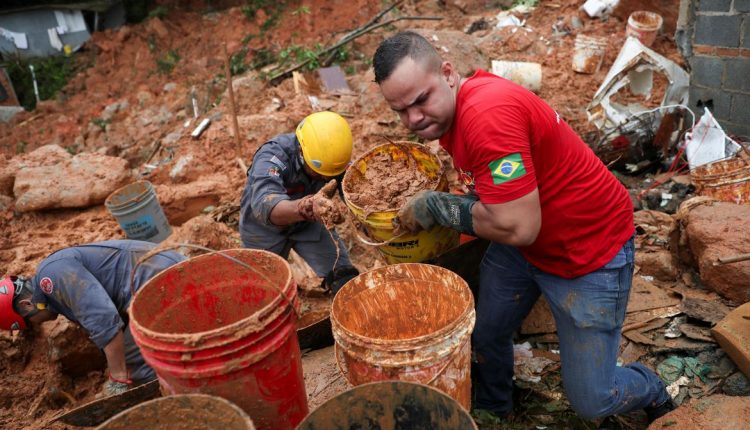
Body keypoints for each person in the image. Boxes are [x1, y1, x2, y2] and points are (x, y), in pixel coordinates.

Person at [372, 31, 675, 423]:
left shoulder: (486, 117)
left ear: (447, 74)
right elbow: (503, 205)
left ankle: (650, 387)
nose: (412, 118)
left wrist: (438, 206)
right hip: (526, 239)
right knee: (486, 331)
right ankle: (495, 407)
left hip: (587, 249)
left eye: (420, 100)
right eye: (400, 110)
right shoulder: (455, 112)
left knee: (593, 402)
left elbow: (518, 227)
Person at [0, 240, 185, 396]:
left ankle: (175, 404)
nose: (39, 323)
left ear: (27, 305)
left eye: (29, 323)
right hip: (157, 277)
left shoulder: (50, 276)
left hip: (161, 278)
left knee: (135, 361)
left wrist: (118, 378)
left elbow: (104, 320)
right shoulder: (53, 287)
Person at [239, 111, 359, 294]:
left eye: (330, 174)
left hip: (307, 225)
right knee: (263, 289)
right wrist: (306, 207)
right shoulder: (273, 156)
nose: (326, 178)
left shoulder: (333, 160)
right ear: (302, 153)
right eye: (320, 174)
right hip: (263, 230)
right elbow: (266, 204)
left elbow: (354, 194)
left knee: (343, 277)